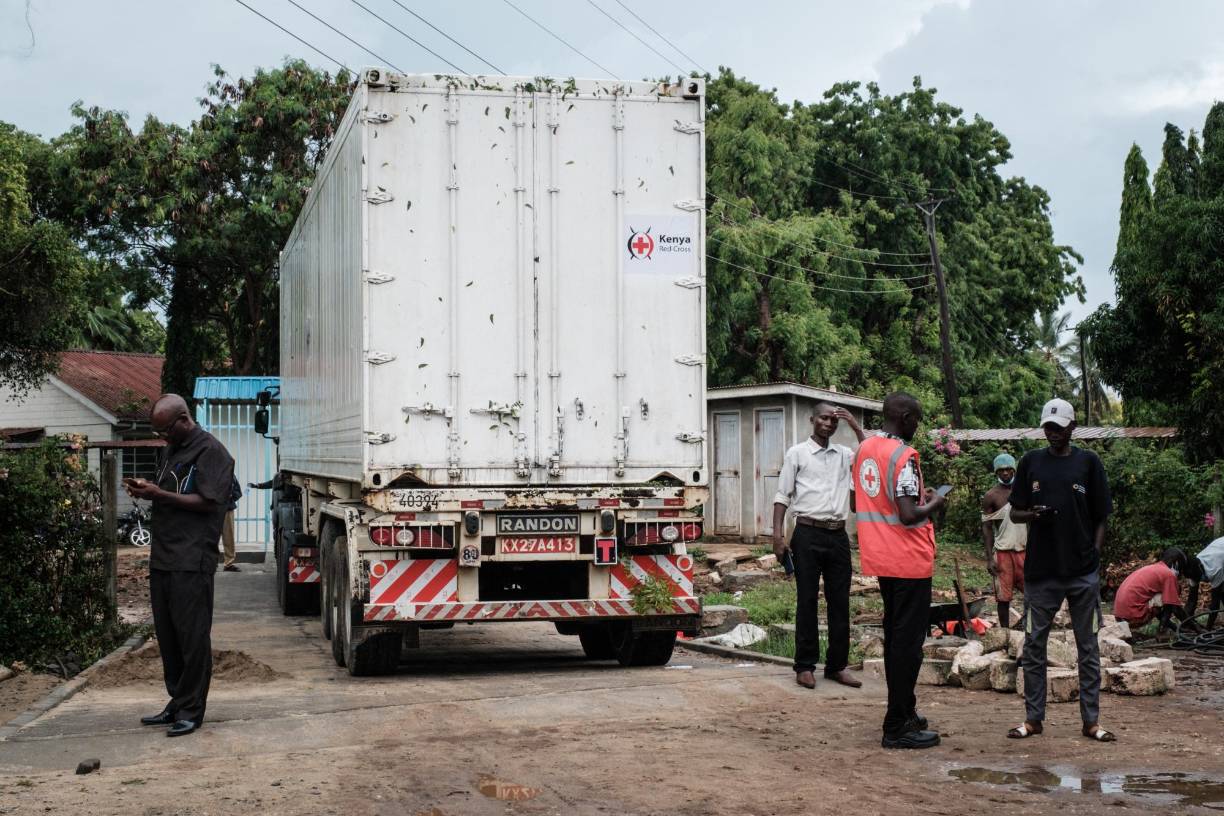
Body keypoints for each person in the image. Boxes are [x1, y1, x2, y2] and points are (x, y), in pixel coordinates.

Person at [125, 394, 235, 738]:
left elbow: (208, 502)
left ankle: (191, 710)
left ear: (184, 420)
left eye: (166, 431)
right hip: (164, 557)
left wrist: (158, 495)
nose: (163, 438)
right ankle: (177, 701)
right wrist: (146, 490)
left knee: (192, 637)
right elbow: (169, 490)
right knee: (169, 636)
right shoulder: (172, 449)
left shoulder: (212, 452)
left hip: (191, 558)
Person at [1007, 398, 1114, 742]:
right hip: (1041, 572)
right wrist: (1033, 514)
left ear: (1072, 427)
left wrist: (1095, 553)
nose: (1052, 433)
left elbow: (1102, 515)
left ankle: (1091, 722)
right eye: (1048, 428)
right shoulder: (1031, 461)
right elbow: (1015, 512)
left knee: (1089, 649)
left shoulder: (1089, 462)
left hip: (1082, 573)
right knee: (1034, 646)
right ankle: (1033, 719)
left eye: (1058, 427)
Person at [854, 392, 945, 750]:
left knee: (896, 638)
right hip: (908, 560)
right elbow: (908, 514)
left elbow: (864, 501)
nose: (917, 427)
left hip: (881, 556)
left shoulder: (865, 449)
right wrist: (934, 502)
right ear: (905, 417)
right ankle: (896, 726)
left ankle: (906, 711)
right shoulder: (903, 455)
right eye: (916, 420)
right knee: (908, 645)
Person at [772, 404, 865, 691]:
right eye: (824, 418)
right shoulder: (797, 453)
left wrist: (855, 426)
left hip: (837, 536)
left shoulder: (844, 455)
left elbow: (870, 452)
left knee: (840, 602)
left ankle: (837, 666)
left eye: (834, 421)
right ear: (812, 420)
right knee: (807, 600)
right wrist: (778, 537)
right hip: (807, 533)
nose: (829, 424)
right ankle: (804, 666)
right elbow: (782, 496)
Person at [981, 452, 1027, 628]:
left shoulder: (1024, 491)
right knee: (1003, 597)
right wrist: (989, 558)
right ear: (996, 472)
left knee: (1032, 593)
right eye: (1001, 470)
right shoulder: (991, 496)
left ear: (1014, 470)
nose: (1006, 473)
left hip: (1024, 550)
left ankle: (1028, 627)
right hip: (1002, 552)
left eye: (1009, 469)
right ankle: (1005, 633)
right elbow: (986, 528)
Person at [1113, 548, 1198, 633]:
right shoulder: (1169, 575)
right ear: (1176, 563)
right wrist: (1197, 629)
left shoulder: (1154, 568)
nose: (1181, 572)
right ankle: (1162, 632)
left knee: (1166, 597)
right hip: (1133, 618)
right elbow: (1176, 608)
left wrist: (1176, 628)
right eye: (1181, 567)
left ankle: (1167, 628)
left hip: (1120, 617)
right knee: (1170, 597)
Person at [1184, 537, 1224, 629]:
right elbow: (1191, 600)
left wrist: (1207, 629)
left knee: (1221, 593)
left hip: (1219, 556)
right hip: (1219, 551)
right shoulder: (1191, 569)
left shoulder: (1214, 569)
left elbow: (1215, 603)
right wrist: (1186, 621)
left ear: (1200, 569)